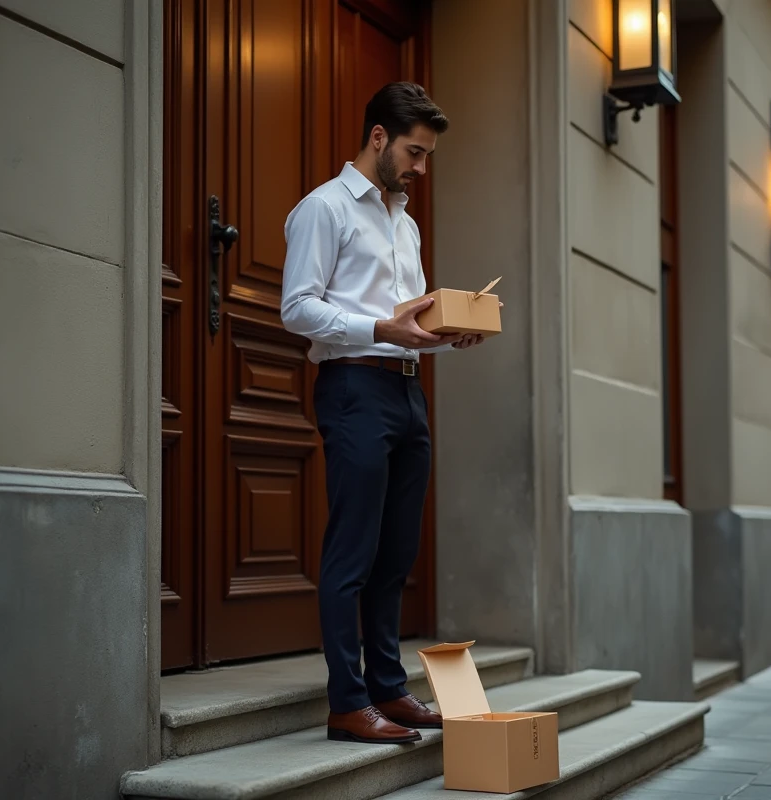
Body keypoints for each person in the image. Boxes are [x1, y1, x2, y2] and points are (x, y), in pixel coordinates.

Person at [280, 82, 492, 744]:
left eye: (426, 156)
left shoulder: (405, 222)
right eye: (414, 152)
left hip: (406, 391)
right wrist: (382, 329)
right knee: (353, 551)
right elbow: (297, 308)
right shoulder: (323, 209)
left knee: (397, 552)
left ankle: (388, 689)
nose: (421, 169)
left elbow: (406, 322)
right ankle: (348, 702)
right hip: (352, 389)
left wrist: (448, 329)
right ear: (378, 138)